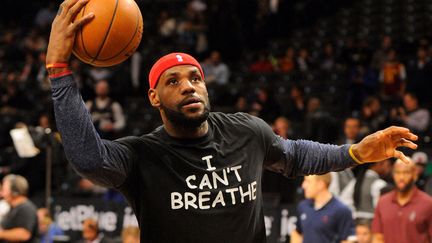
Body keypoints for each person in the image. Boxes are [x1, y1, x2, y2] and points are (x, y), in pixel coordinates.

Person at [46, 1, 418, 242]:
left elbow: (297, 155)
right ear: (154, 98)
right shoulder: (143, 155)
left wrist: (354, 152)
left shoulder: (246, 130)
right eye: (173, 82)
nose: (189, 87)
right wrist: (59, 70)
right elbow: (89, 159)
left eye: (195, 78)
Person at [372, 159, 432, 243]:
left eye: (406, 173)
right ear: (393, 174)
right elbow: (378, 237)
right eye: (397, 172)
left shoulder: (428, 204)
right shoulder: (383, 202)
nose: (401, 177)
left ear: (415, 175)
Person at [290, 174, 355, 243]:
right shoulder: (303, 206)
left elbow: (348, 240)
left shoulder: (342, 210)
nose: (303, 185)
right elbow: (296, 233)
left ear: (320, 184)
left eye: (307, 181)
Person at [0, 174, 39, 243]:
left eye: (4, 190)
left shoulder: (26, 208)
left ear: (14, 191)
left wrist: (2, 234)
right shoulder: (13, 208)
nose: (2, 194)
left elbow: (24, 234)